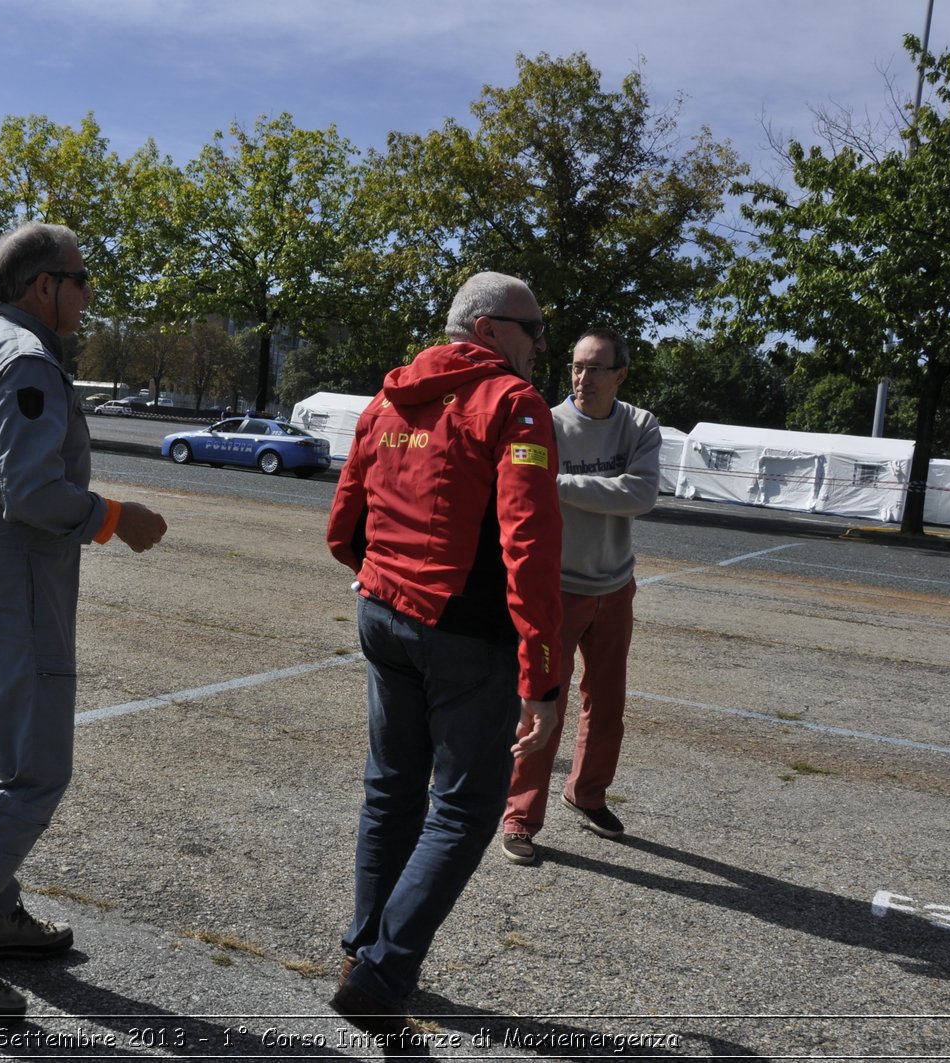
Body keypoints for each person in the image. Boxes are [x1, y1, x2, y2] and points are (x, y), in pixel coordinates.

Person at [0, 222, 167, 1021]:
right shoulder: (27, 359)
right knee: (33, 770)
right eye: (81, 280)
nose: (88, 295)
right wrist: (118, 515)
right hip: (17, 573)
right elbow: (32, 492)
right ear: (43, 285)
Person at [324, 271, 562, 1039]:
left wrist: (382, 578)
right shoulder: (513, 403)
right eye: (534, 328)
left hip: (382, 608)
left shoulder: (389, 396)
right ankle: (385, 970)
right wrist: (544, 671)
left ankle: (365, 953)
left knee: (391, 790)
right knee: (464, 806)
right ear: (492, 330)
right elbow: (529, 541)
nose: (540, 345)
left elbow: (342, 523)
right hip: (464, 633)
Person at [500, 326, 661, 865]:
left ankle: (586, 793)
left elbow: (640, 494)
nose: (582, 377)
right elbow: (521, 483)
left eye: (595, 368)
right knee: (544, 702)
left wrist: (559, 482)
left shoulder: (639, 425)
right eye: (575, 366)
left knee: (607, 702)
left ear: (620, 374)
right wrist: (584, 486)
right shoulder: (545, 421)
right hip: (556, 588)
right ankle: (520, 817)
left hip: (616, 585)